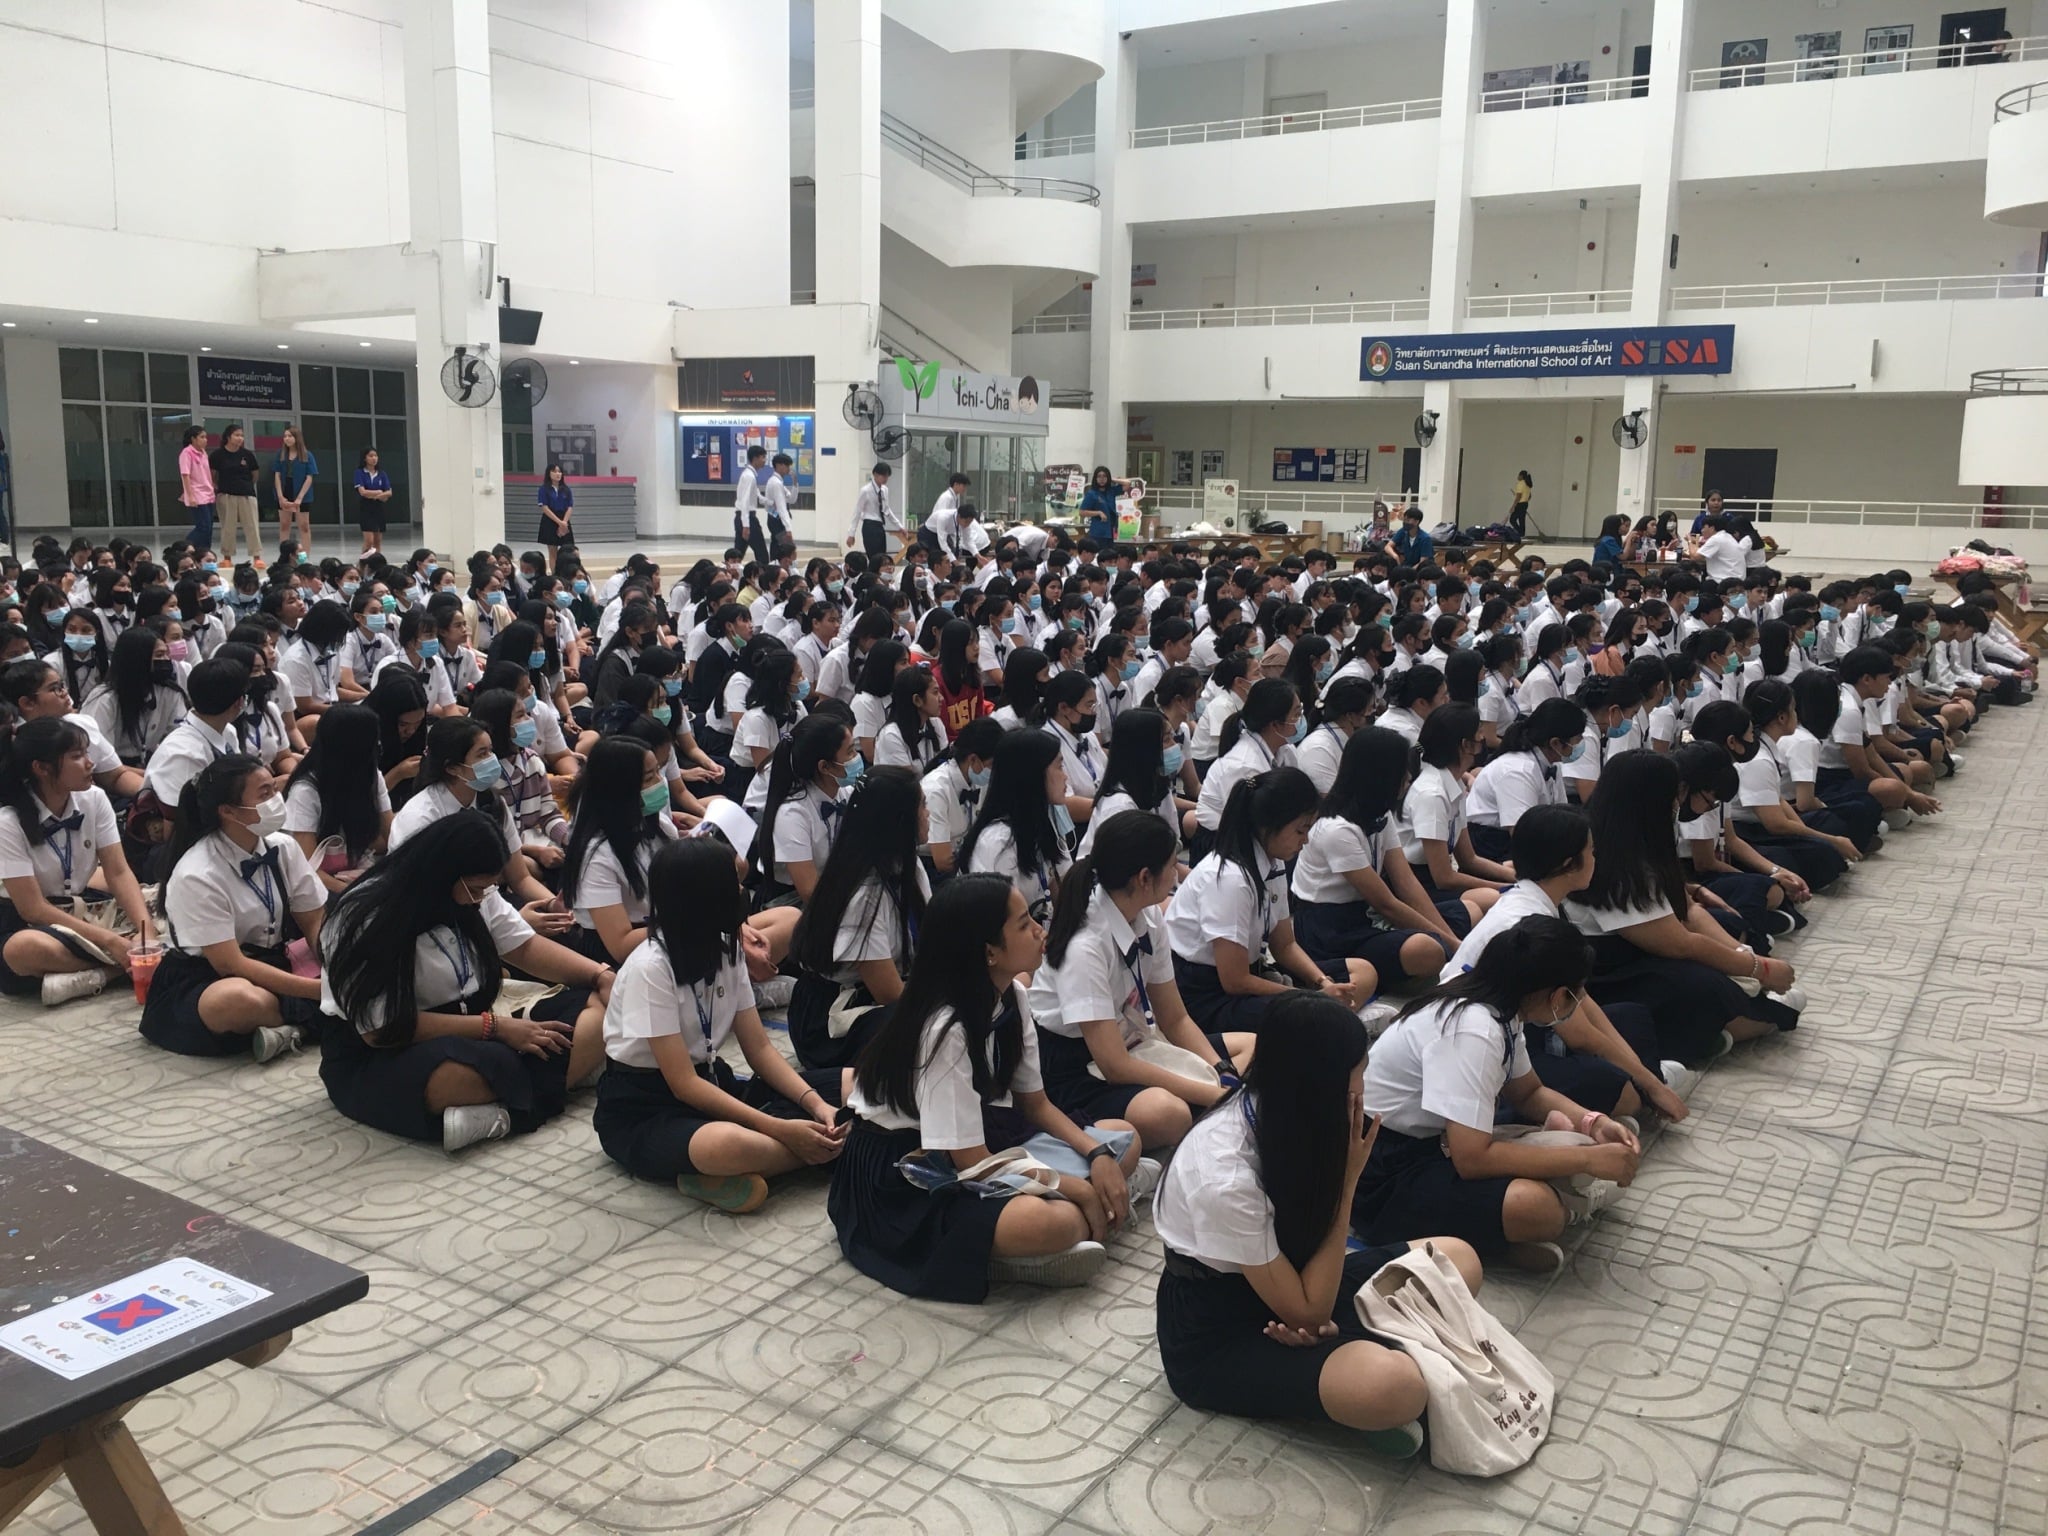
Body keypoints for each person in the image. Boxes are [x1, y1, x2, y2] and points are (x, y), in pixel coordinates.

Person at [1154, 991, 1480, 1454]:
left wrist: (1310, 1317)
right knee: (1396, 1387)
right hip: (1219, 1327)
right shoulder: (1222, 1172)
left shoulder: (1292, 1109)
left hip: (1293, 1280)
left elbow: (1308, 1290)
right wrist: (1347, 1183)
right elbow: (1309, 1311)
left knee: (1456, 1258)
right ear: (1321, 1081)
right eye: (1359, 1074)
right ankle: (1359, 1377)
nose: (1364, 1088)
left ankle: (1346, 1364)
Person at [828, 873, 1147, 1301]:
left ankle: (1063, 1214)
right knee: (1056, 1221)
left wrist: (1097, 1155)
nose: (1041, 930)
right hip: (907, 1169)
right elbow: (969, 1162)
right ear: (989, 952)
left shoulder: (1012, 994)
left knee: (1123, 1139)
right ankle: (1007, 1251)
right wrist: (1077, 1188)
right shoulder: (944, 1029)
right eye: (1024, 924)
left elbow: (1035, 1105)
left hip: (977, 1137)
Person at [1355, 914, 1641, 1269]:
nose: (1577, 1003)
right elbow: (1473, 1160)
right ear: (1554, 995)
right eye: (1575, 994)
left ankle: (1502, 1231)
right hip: (1382, 1170)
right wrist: (1587, 1160)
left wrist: (1593, 1122)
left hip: (1435, 1144)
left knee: (1576, 1142)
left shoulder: (1500, 1007)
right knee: (1537, 1207)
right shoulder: (1474, 1029)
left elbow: (1529, 1093)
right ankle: (1543, 1217)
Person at [317, 811, 612, 1151]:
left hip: (473, 1024)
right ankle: (556, 1080)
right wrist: (495, 1028)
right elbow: (380, 1030)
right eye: (475, 889)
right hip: (387, 1047)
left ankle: (507, 1104)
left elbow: (525, 947)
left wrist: (599, 975)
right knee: (464, 1073)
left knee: (597, 1007)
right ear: (443, 874)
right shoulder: (363, 916)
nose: (481, 897)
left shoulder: (473, 891)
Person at [596, 836, 846, 1210]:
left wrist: (815, 1104)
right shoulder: (650, 969)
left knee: (853, 1083)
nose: (743, 894)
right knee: (728, 1145)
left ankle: (772, 1159)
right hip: (644, 1108)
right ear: (706, 900)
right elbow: (683, 1084)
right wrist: (781, 1129)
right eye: (734, 885)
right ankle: (834, 1147)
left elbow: (760, 1049)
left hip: (714, 1083)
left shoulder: (726, 949)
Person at [1034, 807, 1249, 1154]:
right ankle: (1202, 1109)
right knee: (1168, 1114)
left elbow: (1175, 1019)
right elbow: (1115, 1066)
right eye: (1172, 866)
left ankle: (1208, 1106)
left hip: (1133, 1036)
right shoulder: (1085, 946)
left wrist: (1221, 1071)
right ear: (1145, 878)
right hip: (1076, 1065)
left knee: (1252, 1046)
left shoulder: (1148, 915)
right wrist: (1213, 1093)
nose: (1176, 874)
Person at [1563, 751, 1800, 1064]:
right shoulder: (1610, 860)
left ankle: (1725, 1021)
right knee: (1706, 986)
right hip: (1609, 970)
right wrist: (1759, 968)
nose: (1678, 804)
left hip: (1641, 947)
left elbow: (1687, 910)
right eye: (1675, 796)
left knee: (1726, 931)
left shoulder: (1634, 841)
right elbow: (1680, 944)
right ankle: (1707, 1033)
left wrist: (1745, 956)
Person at [141, 754, 328, 1062]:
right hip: (207, 978)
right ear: (228, 811)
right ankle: (314, 1020)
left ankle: (293, 1027)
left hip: (274, 961)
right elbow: (231, 965)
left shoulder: (282, 846)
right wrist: (319, 991)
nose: (276, 800)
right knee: (237, 1000)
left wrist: (332, 963)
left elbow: (313, 921)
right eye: (264, 794)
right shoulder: (198, 873)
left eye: (274, 789)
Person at [1167, 768, 1368, 1034]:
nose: (1306, 840)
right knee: (1310, 1017)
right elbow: (1235, 981)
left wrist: (1322, 982)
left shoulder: (1272, 862)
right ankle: (1338, 1024)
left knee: (1362, 972)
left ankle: (1337, 1022)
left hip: (1253, 972)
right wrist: (1310, 997)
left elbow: (1284, 945)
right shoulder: (1230, 879)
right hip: (1207, 995)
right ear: (1268, 826)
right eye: (1301, 830)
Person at [1291, 726, 1462, 988]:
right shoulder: (1337, 829)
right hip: (1330, 931)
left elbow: (1406, 884)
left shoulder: (1380, 814)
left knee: (1469, 910)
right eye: (1402, 770)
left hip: (1365, 915)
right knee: (1427, 950)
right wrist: (1454, 946)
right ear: (1381, 775)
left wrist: (1453, 941)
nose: (1408, 777)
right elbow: (1386, 904)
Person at [0, 716, 154, 1006]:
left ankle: (98, 970)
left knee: (168, 905)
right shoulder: (8, 822)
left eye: (86, 753)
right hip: (34, 922)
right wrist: (109, 941)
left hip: (84, 909)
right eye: (76, 756)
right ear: (42, 768)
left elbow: (118, 872)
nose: (90, 763)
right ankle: (112, 970)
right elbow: (33, 909)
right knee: (23, 949)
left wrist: (147, 933)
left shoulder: (94, 799)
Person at [787, 764, 928, 1070]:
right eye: (922, 806)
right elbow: (889, 994)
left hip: (878, 995)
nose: (928, 814)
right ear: (900, 821)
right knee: (921, 1027)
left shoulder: (908, 865)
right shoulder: (864, 895)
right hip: (832, 1018)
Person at [559, 736, 677, 965]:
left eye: (658, 772)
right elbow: (620, 946)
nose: (660, 782)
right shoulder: (596, 857)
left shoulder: (656, 824)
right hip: (623, 956)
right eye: (649, 778)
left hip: (664, 930)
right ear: (620, 789)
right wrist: (688, 917)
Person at [960, 726, 1071, 919]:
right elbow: (1004, 922)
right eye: (1059, 767)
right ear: (1033, 775)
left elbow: (1064, 889)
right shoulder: (998, 842)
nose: (1065, 776)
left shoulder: (1044, 820)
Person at [283, 701, 391, 893]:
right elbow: (307, 869)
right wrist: (355, 893)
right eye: (374, 741)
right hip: (319, 887)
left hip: (357, 871)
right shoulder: (305, 791)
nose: (379, 746)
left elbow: (391, 834)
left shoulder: (371, 776)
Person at [922, 716, 1001, 877]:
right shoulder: (936, 790)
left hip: (968, 858)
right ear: (973, 759)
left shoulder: (977, 779)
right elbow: (943, 861)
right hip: (935, 870)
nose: (994, 771)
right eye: (992, 764)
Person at [271, 425, 316, 559]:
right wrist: (280, 496)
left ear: (297, 438)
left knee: (304, 526)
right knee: (284, 525)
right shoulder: (280, 454)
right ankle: (285, 556)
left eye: (290, 436)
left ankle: (304, 557)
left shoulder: (307, 455)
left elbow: (309, 477)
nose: (287, 438)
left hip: (302, 493)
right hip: (285, 490)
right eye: (285, 436)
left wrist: (300, 498)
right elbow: (277, 475)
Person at [847, 462, 904, 559]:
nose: (886, 479)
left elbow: (887, 510)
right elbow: (857, 511)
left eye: (887, 476)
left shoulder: (885, 490)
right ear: (875, 475)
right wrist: (851, 534)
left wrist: (899, 526)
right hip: (869, 525)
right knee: (874, 557)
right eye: (883, 476)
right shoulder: (866, 490)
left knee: (882, 556)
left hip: (880, 526)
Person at [178, 425, 216, 552]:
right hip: (197, 494)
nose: (205, 440)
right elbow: (185, 475)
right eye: (202, 437)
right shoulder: (187, 453)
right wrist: (190, 495)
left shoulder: (203, 453)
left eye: (206, 437)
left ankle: (205, 552)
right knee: (203, 526)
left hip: (208, 493)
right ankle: (183, 547)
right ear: (193, 439)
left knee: (209, 527)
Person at [352, 448, 394, 558]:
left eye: (375, 456)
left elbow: (389, 492)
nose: (374, 458)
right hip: (366, 508)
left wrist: (377, 496)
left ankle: (377, 563)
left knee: (377, 541)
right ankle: (363, 562)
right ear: (365, 458)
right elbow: (363, 492)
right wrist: (379, 492)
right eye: (370, 456)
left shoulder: (382, 474)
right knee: (369, 541)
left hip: (379, 508)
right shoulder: (359, 473)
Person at [536, 462, 575, 556]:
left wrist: (564, 522)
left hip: (564, 519)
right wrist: (559, 522)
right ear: (549, 473)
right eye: (554, 471)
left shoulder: (566, 489)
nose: (558, 474)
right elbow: (545, 508)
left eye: (559, 471)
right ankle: (554, 567)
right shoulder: (544, 489)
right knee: (553, 551)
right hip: (550, 520)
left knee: (568, 550)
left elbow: (570, 507)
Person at [1079, 466, 1123, 544]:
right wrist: (1098, 513)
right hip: (1097, 532)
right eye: (1099, 476)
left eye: (1104, 476)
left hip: (1110, 532)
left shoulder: (1111, 491)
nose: (1102, 479)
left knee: (1109, 551)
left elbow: (1127, 484)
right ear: (1095, 478)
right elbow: (1081, 512)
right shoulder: (1092, 494)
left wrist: (1112, 479)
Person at [1509, 470, 1533, 536]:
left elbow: (1518, 496)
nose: (1518, 477)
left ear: (1521, 476)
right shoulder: (1527, 484)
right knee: (1521, 520)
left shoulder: (1520, 483)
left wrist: (1513, 506)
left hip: (1520, 504)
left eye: (1519, 475)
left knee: (1512, 519)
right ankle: (1522, 534)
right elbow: (1529, 496)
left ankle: (1520, 532)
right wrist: (1525, 500)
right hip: (1525, 504)